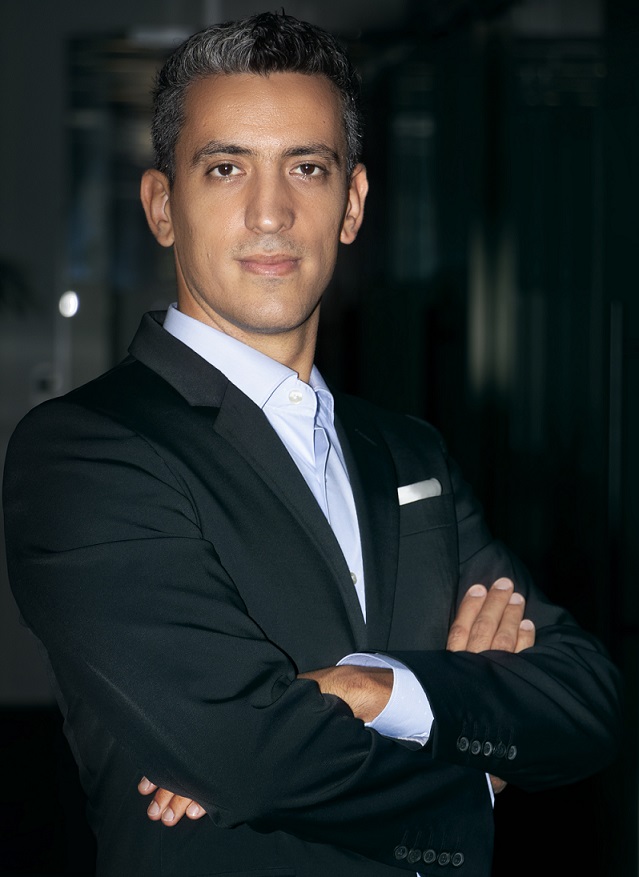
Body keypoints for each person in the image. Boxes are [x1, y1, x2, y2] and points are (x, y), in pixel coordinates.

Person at [3, 11, 621, 877]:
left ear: (352, 203)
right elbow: (248, 753)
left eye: (307, 167)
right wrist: (475, 769)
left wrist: (369, 686)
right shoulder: (86, 450)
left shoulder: (409, 453)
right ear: (162, 206)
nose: (271, 212)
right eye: (226, 168)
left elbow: (586, 700)